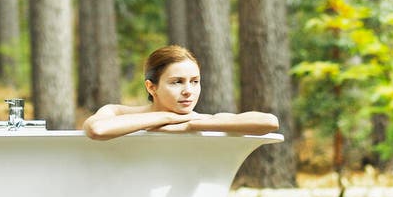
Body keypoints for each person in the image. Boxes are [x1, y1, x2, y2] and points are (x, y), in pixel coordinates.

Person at [82, 45, 279, 140]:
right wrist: (165, 117)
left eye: (195, 82)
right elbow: (97, 130)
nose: (188, 91)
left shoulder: (198, 119)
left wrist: (189, 126)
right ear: (151, 87)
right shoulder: (116, 112)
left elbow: (269, 122)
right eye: (177, 82)